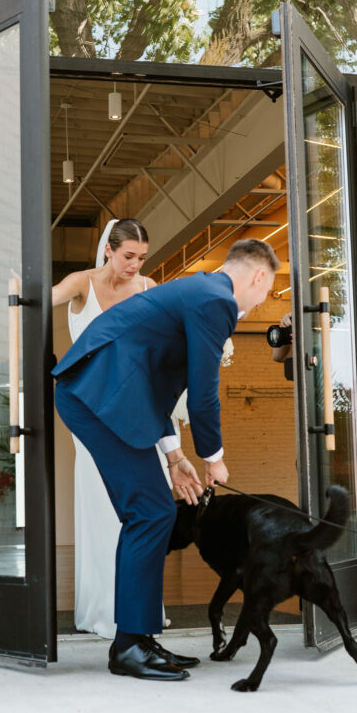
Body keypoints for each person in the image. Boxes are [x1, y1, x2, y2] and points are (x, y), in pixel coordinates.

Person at [52, 238, 279, 681]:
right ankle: (129, 646)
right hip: (96, 396)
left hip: (113, 397)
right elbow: (203, 393)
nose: (261, 299)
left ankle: (137, 639)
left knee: (151, 512)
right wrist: (214, 458)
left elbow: (156, 383)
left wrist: (176, 457)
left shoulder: (200, 292)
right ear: (256, 276)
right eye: (266, 290)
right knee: (150, 512)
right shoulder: (217, 302)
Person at [52, 218, 156, 639]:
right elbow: (40, 299)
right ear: (109, 250)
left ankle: (139, 615)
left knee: (145, 513)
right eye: (128, 256)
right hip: (92, 413)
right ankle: (103, 610)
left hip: (136, 410)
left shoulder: (148, 288)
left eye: (142, 258)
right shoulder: (82, 282)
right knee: (102, 506)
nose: (135, 265)